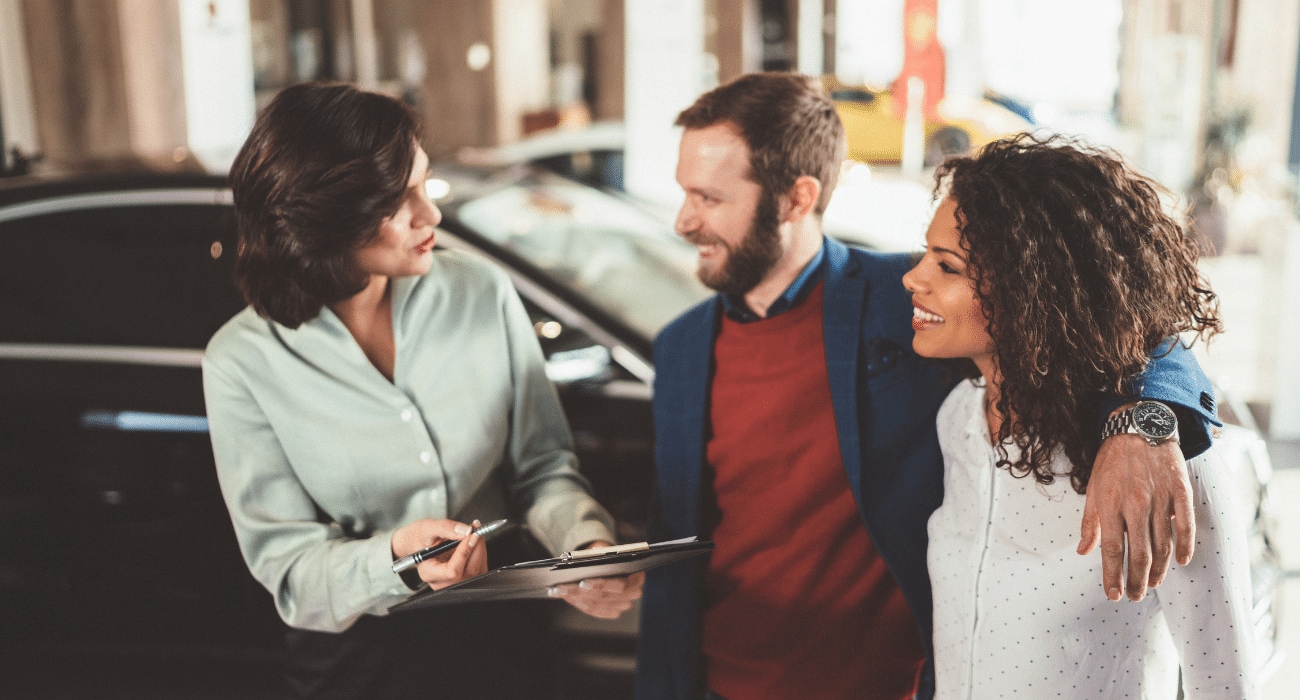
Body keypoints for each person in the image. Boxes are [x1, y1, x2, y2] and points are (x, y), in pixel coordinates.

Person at [637, 73, 1220, 700]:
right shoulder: (680, 347)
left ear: (796, 198)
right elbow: (684, 528)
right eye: (684, 193)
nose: (684, 221)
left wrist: (1144, 420)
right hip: (715, 683)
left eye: (708, 198)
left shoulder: (914, 301)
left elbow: (1129, 331)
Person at [202, 82, 641, 699]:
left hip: (505, 635)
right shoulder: (241, 361)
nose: (430, 214)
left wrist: (585, 545)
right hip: (363, 661)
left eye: (424, 183)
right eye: (396, 201)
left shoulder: (481, 291)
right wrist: (395, 559)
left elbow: (542, 468)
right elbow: (291, 570)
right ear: (326, 217)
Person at [908, 135, 1255, 697]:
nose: (912, 278)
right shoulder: (958, 420)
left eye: (948, 267)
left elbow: (1227, 684)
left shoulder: (1161, 465)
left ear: (1030, 290)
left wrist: (1146, 420)